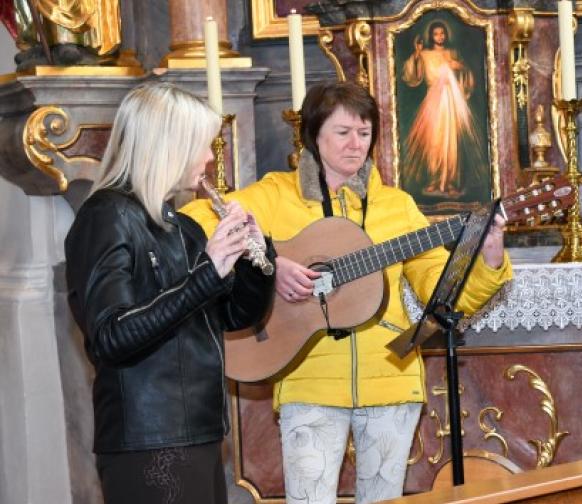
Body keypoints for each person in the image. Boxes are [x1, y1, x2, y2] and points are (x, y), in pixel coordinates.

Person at [181, 81, 512, 504]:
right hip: (308, 382)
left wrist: (489, 259)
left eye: (364, 133)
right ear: (313, 135)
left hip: (389, 381)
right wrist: (267, 262)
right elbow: (194, 222)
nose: (356, 144)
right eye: (343, 132)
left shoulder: (397, 206)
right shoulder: (274, 195)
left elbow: (441, 293)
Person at [64, 82, 276, 504]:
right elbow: (111, 336)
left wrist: (255, 259)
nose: (210, 158)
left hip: (198, 429)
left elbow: (236, 316)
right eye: (202, 145)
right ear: (169, 145)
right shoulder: (106, 216)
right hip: (148, 440)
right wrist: (206, 274)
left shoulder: (183, 227)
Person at [400, 20, 484, 198]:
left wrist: (459, 67)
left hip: (451, 101)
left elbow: (466, 75)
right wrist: (417, 53)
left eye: (442, 33)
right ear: (431, 36)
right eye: (436, 34)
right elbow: (411, 75)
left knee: (452, 142)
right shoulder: (425, 54)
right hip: (433, 100)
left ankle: (451, 181)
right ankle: (434, 180)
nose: (440, 37)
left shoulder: (453, 53)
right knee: (434, 141)